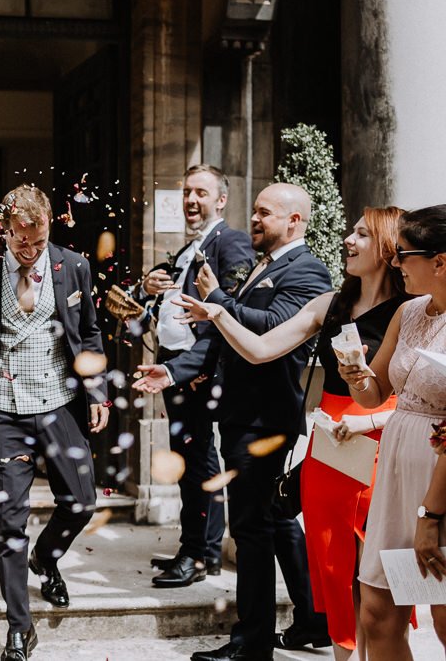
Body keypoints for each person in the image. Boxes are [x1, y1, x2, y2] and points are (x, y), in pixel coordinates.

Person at [173, 206, 410, 660]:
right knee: (335, 573)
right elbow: (262, 350)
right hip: (330, 447)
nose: (348, 240)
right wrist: (218, 314)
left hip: (382, 442)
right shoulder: (330, 304)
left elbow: (413, 393)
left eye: (360, 234)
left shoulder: (408, 310)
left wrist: (370, 417)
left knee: (378, 584)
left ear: (384, 248)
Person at [135, 183, 331, 661]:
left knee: (250, 529)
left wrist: (218, 298)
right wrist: (174, 370)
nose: (255, 220)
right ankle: (311, 620)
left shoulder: (307, 271)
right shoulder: (264, 266)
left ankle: (252, 642)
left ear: (295, 221)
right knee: (272, 520)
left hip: (266, 417)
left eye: (265, 213)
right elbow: (223, 338)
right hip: (243, 413)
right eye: (256, 211)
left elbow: (267, 331)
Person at [0, 184, 108, 661]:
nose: (30, 250)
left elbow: (88, 332)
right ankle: (19, 629)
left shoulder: (76, 267)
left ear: (49, 225)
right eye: (21, 240)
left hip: (60, 403)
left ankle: (46, 558)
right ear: (4, 230)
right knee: (9, 521)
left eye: (39, 239)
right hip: (4, 408)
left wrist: (97, 392)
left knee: (81, 502)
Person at [134, 164, 253, 588]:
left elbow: (231, 314)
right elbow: (168, 307)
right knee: (191, 462)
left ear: (221, 199)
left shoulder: (231, 242)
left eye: (201, 193)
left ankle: (199, 554)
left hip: (199, 373)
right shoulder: (187, 249)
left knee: (199, 463)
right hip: (179, 373)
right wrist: (148, 290)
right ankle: (196, 549)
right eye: (187, 192)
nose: (191, 200)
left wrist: (189, 369)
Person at [339, 204, 446, 660]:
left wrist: (430, 518)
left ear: (440, 261)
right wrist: (355, 374)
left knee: (445, 618)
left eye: (403, 255)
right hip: (398, 474)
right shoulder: (409, 313)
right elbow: (375, 393)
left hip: (440, 481)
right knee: (378, 612)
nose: (394, 263)